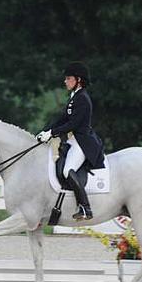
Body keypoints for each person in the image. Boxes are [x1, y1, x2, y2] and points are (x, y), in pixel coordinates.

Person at [37, 62, 104, 221]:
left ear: (78, 80)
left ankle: (85, 208)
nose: (65, 81)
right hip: (74, 140)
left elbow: (73, 124)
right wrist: (46, 131)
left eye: (68, 78)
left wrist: (52, 133)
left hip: (83, 142)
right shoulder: (75, 97)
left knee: (68, 170)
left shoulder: (83, 99)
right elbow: (63, 119)